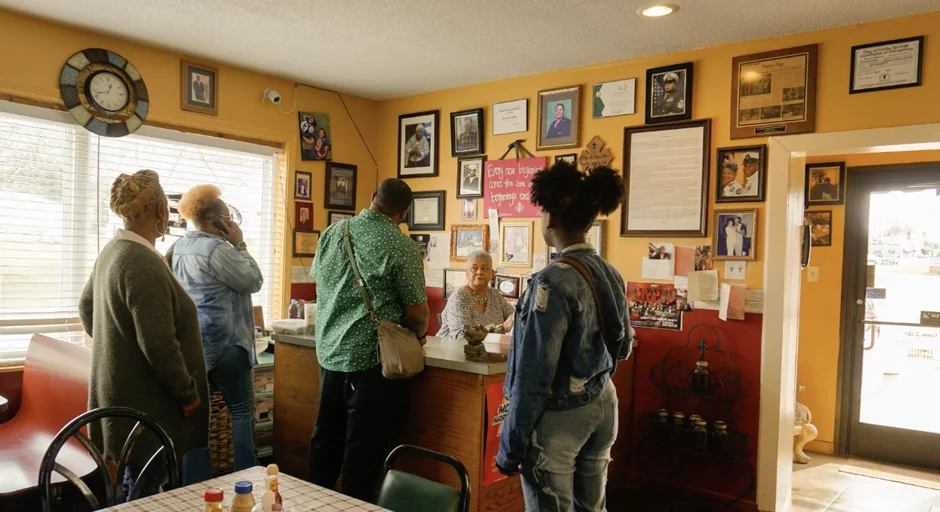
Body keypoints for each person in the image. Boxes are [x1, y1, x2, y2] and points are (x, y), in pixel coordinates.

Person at [496, 162, 633, 511]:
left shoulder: (550, 281)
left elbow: (533, 375)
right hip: (604, 401)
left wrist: (510, 448)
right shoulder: (610, 271)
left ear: (551, 219)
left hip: (560, 417)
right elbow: (625, 346)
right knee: (593, 508)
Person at [79, 170, 210, 498]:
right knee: (145, 495)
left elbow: (86, 307)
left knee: (133, 489)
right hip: (147, 409)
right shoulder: (142, 263)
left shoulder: (113, 251)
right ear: (161, 209)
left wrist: (119, 351)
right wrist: (188, 394)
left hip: (123, 397)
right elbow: (159, 344)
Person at [307, 178, 430, 502]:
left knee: (324, 441)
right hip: (373, 362)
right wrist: (418, 336)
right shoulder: (402, 246)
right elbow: (417, 312)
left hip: (330, 353)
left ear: (373, 197)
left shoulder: (334, 233)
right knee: (363, 451)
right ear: (403, 213)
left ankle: (313, 506)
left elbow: (321, 281)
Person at [169, 184, 264, 471]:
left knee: (198, 419)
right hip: (227, 346)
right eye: (227, 217)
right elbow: (252, 281)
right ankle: (247, 478)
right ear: (215, 220)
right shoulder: (217, 249)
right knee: (242, 411)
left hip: (195, 346)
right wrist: (240, 243)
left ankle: (195, 485)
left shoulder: (179, 247)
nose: (231, 221)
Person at [438, 251, 514, 339]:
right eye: (474, 268)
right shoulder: (459, 298)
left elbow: (513, 318)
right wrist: (501, 329)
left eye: (484, 268)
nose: (479, 272)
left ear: (492, 273)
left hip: (486, 349)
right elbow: (461, 337)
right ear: (466, 273)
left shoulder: (494, 294)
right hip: (454, 350)